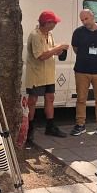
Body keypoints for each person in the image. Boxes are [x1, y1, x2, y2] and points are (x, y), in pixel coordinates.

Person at [25, 10, 70, 142]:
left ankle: (50, 126)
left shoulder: (49, 34)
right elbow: (41, 56)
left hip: (49, 74)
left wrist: (58, 49)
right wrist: (57, 49)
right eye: (54, 22)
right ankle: (29, 128)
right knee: (32, 101)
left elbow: (48, 51)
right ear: (47, 23)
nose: (56, 24)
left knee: (50, 98)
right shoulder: (34, 35)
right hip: (36, 74)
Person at [70, 9, 97, 137]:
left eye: (86, 19)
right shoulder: (78, 32)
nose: (84, 22)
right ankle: (80, 124)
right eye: (82, 20)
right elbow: (75, 48)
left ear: (93, 17)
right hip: (81, 70)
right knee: (81, 99)